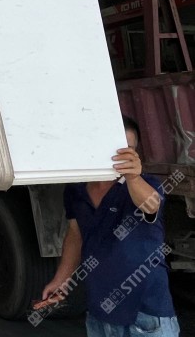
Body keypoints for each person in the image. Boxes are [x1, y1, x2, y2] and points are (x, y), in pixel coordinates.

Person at [41, 116, 179, 336]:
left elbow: (151, 205)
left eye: (128, 150)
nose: (121, 156)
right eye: (114, 149)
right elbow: (76, 235)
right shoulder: (76, 189)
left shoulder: (146, 185)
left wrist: (133, 178)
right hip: (100, 312)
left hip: (146, 314)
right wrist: (61, 279)